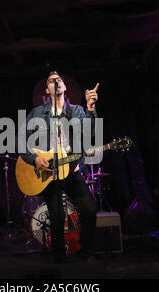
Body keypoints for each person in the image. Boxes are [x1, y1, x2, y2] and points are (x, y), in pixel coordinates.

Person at [19, 71, 100, 263]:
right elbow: (20, 141)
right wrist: (34, 158)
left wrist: (91, 108)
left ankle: (86, 252)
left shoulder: (78, 111)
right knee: (56, 219)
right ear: (47, 89)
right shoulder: (38, 113)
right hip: (50, 174)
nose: (56, 82)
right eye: (51, 81)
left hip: (72, 172)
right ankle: (59, 261)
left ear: (64, 87)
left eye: (60, 80)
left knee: (89, 209)